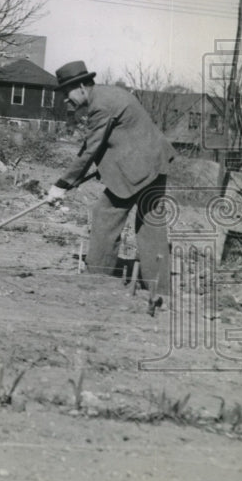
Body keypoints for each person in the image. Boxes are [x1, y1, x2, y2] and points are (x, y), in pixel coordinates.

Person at [45, 61, 176, 315]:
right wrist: (69, 181)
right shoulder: (105, 96)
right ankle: (160, 291)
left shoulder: (101, 105)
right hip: (153, 162)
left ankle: (98, 280)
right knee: (151, 226)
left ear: (82, 87)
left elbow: (93, 147)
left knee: (105, 215)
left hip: (139, 169)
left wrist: (61, 185)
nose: (65, 100)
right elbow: (95, 145)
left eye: (66, 93)